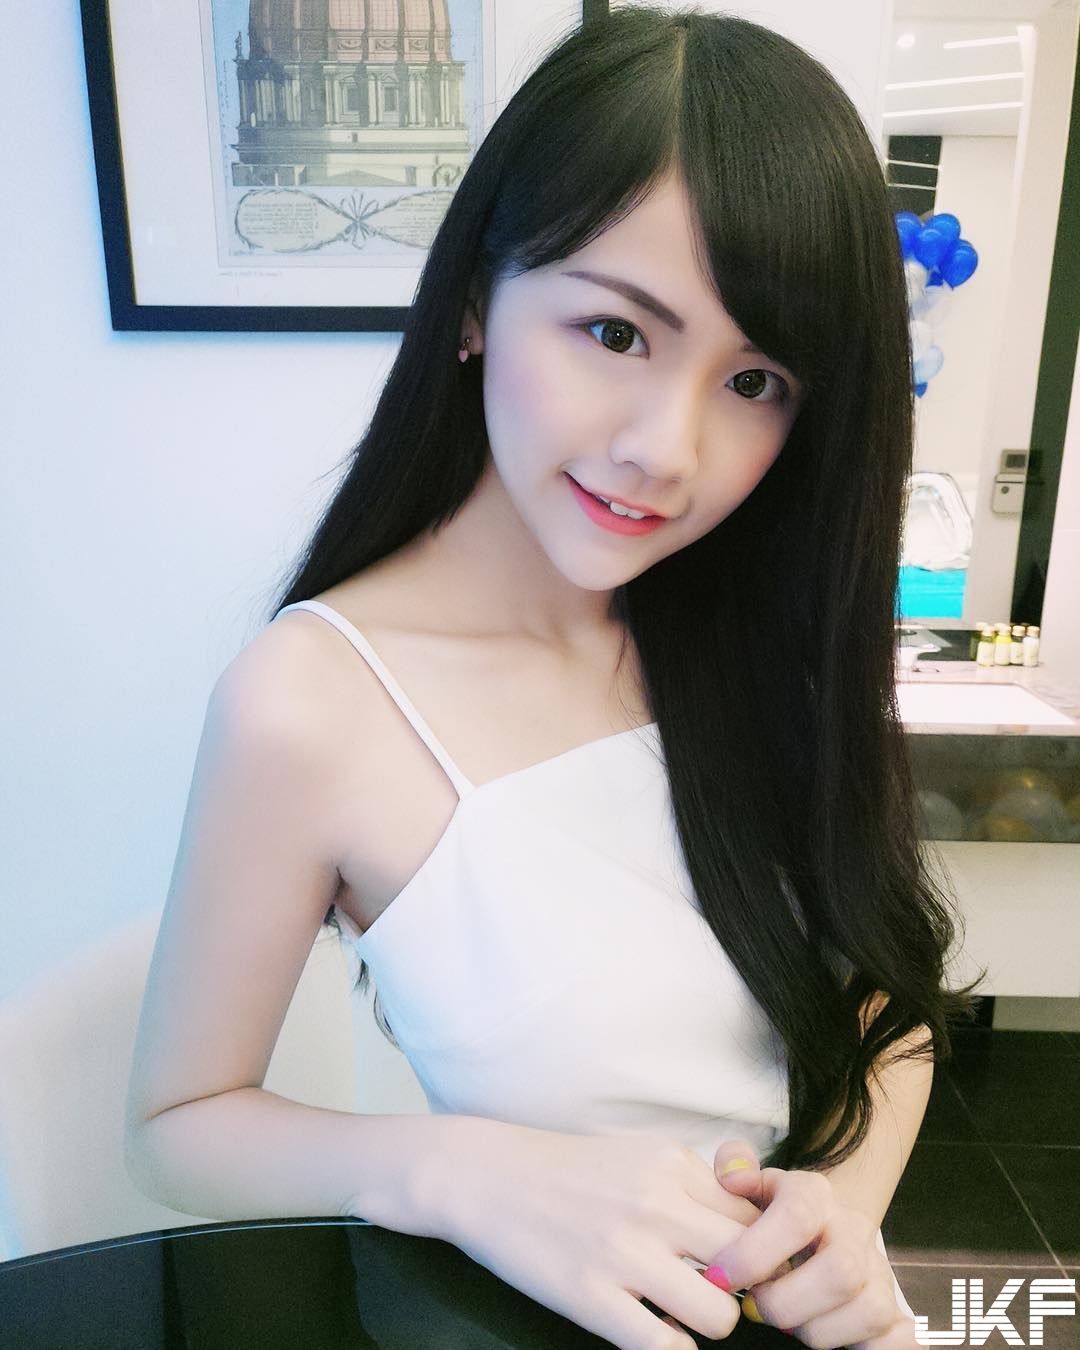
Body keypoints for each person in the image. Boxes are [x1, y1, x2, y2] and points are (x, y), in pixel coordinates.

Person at [125, 7, 982, 1349]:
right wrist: (462, 1168)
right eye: (617, 334)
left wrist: (837, 1221)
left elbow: (885, 999)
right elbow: (179, 1126)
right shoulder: (310, 702)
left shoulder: (757, 634)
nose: (666, 451)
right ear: (477, 300)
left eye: (755, 379)